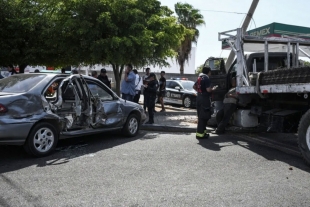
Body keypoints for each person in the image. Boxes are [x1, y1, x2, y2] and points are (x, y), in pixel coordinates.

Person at [193, 66, 218, 139]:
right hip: (204, 99)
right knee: (204, 116)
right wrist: (214, 88)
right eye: (210, 72)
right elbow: (208, 90)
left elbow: (194, 87)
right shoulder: (206, 78)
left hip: (199, 98)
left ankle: (203, 133)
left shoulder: (200, 78)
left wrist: (200, 92)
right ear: (209, 72)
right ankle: (200, 134)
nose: (210, 74)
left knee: (200, 115)